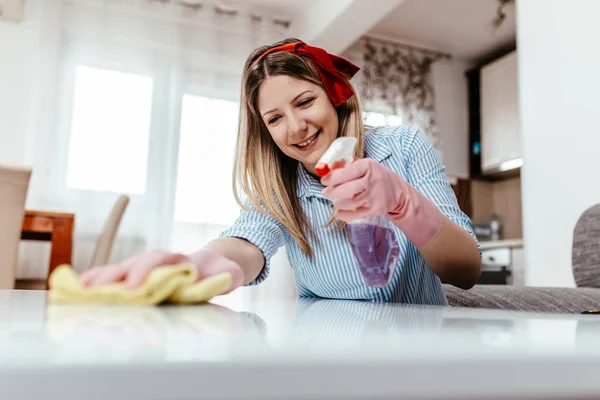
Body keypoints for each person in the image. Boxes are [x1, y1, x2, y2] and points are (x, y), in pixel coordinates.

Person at [80, 38, 481, 304]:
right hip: (325, 352)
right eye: (275, 118)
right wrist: (199, 265)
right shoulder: (283, 187)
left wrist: (402, 202)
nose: (295, 128)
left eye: (305, 102)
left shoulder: (403, 148)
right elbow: (245, 244)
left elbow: (465, 271)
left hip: (418, 352)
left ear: (337, 97)